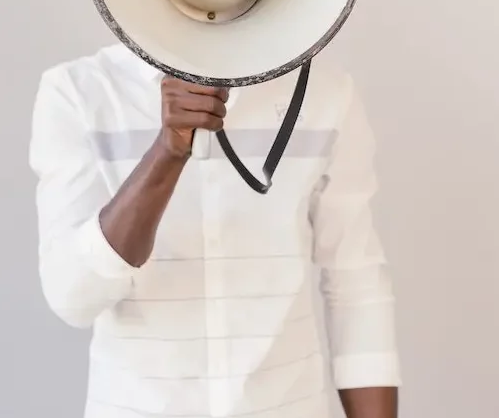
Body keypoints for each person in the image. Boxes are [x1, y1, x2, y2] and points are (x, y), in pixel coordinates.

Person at [29, 42, 401, 418]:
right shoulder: (78, 92)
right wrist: (167, 151)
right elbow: (73, 298)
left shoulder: (328, 93)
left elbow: (356, 282)